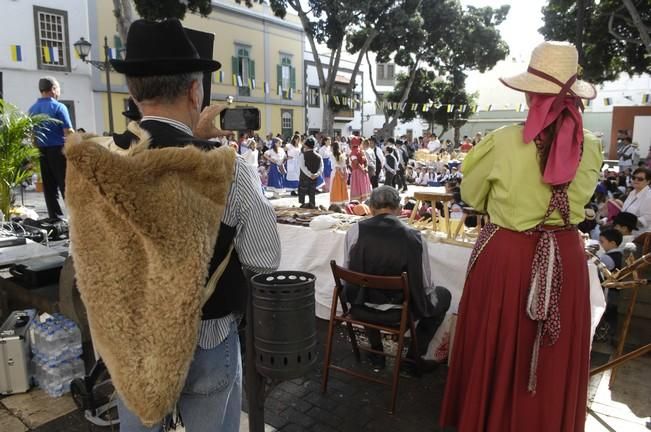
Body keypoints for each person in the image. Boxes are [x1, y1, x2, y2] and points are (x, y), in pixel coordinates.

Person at [65, 19, 281, 432]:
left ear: (132, 91)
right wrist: (205, 145)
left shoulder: (92, 161)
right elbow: (264, 259)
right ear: (194, 90)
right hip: (206, 338)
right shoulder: (224, 168)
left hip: (130, 344)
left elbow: (88, 253)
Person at [441, 41, 602, 431]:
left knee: (495, 346)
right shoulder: (593, 146)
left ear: (530, 92)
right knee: (552, 356)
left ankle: (488, 418)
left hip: (508, 254)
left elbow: (473, 196)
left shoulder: (502, 142)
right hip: (565, 253)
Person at [343, 186, 451, 368]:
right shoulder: (414, 237)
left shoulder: (355, 231)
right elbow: (425, 285)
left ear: (371, 208)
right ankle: (413, 358)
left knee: (364, 287)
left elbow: (349, 275)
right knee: (443, 295)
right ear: (399, 208)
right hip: (398, 313)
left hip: (360, 308)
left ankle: (377, 353)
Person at [28, 76, 74, 219]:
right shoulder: (59, 106)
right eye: (59, 88)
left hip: (42, 151)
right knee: (66, 186)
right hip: (59, 150)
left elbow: (32, 135)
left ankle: (55, 218)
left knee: (49, 187)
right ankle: (74, 218)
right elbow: (68, 131)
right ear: (53, 89)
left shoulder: (32, 109)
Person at [595, 228, 624, 343]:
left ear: (612, 243)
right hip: (616, 291)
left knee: (606, 315)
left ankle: (602, 335)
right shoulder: (620, 255)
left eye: (602, 242)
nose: (600, 244)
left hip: (608, 291)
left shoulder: (605, 258)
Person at [620, 167, 651, 234]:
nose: (636, 180)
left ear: (648, 181)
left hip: (638, 236)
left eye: (640, 179)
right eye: (634, 178)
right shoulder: (632, 192)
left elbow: (646, 219)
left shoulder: (649, 196)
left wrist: (626, 223)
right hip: (624, 232)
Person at [298, 136, 323, 209]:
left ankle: (302, 207)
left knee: (302, 194)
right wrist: (316, 174)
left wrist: (309, 174)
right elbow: (321, 167)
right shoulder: (319, 156)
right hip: (314, 178)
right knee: (312, 194)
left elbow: (302, 167)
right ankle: (312, 207)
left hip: (304, 178)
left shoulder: (303, 155)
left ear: (306, 145)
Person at [349, 137, 373, 201]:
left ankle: (358, 202)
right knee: (363, 187)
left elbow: (356, 163)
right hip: (364, 171)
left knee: (357, 188)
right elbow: (365, 161)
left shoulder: (353, 152)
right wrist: (365, 168)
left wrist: (362, 170)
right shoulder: (361, 151)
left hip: (357, 172)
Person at [329, 140, 349, 206]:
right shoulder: (342, 155)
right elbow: (344, 166)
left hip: (336, 173)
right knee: (342, 188)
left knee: (335, 188)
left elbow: (336, 167)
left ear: (333, 147)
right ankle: (342, 201)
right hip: (342, 172)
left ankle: (336, 202)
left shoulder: (332, 155)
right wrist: (344, 174)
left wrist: (341, 175)